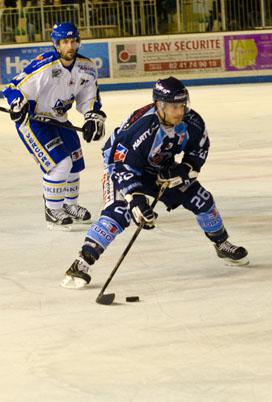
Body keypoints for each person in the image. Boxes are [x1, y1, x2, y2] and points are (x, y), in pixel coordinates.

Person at [62, 77, 249, 289]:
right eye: (173, 107)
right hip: (120, 167)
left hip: (158, 168)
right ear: (160, 105)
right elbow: (121, 164)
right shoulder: (143, 128)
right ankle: (82, 262)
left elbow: (200, 148)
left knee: (201, 198)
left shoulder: (192, 122)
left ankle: (221, 243)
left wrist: (184, 169)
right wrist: (136, 199)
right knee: (119, 213)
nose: (179, 111)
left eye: (182, 105)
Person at [3, 22, 106, 230]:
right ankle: (52, 210)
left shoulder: (86, 67)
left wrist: (92, 116)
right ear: (56, 44)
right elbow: (13, 87)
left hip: (59, 119)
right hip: (34, 121)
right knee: (60, 164)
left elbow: (89, 97)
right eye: (64, 42)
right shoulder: (44, 66)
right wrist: (17, 104)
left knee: (75, 162)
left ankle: (69, 205)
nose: (69, 46)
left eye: (73, 41)